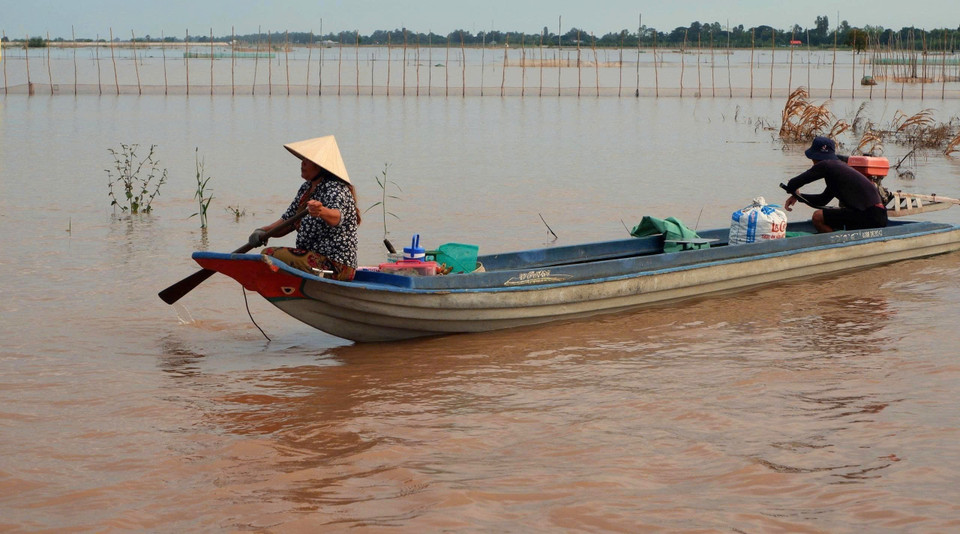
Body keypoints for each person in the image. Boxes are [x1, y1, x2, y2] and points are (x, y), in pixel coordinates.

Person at [248, 135, 361, 281]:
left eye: (307, 161)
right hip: (312, 258)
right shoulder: (306, 189)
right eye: (302, 159)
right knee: (267, 255)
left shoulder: (336, 189)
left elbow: (336, 217)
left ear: (320, 166)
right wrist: (263, 232)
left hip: (335, 265)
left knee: (270, 255)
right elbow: (286, 222)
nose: (302, 164)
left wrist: (321, 211)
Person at [783, 136, 888, 233]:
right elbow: (822, 200)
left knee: (817, 217)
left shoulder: (826, 165)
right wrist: (799, 196)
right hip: (879, 216)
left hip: (870, 215)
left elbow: (792, 184)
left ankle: (837, 244)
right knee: (830, 212)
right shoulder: (837, 170)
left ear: (815, 157)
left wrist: (792, 189)